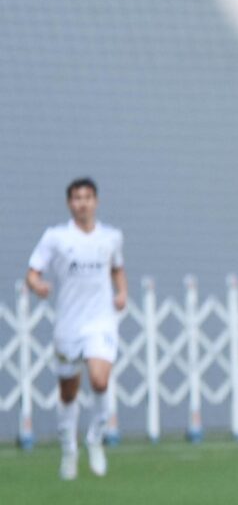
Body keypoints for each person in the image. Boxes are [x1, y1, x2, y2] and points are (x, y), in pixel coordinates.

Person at [26, 177, 127, 480]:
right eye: (77, 198)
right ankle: (69, 449)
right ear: (69, 203)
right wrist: (37, 285)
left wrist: (121, 292)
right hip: (69, 323)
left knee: (99, 379)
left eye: (87, 197)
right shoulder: (56, 237)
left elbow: (117, 268)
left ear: (96, 201)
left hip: (101, 321)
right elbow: (33, 272)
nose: (82, 203)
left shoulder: (111, 237)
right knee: (68, 392)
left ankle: (95, 437)